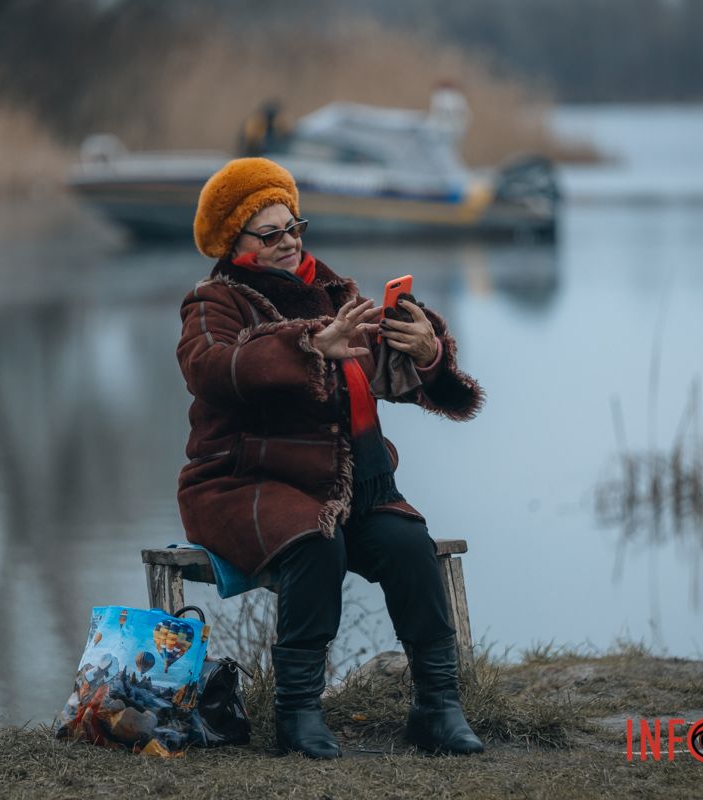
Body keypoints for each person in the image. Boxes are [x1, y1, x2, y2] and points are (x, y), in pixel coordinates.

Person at [176, 158, 486, 758]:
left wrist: (425, 352)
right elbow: (211, 369)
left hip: (351, 485)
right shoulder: (213, 302)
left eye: (294, 226)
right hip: (244, 483)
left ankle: (437, 708)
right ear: (234, 241)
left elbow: (392, 379)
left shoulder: (337, 292)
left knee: (409, 549)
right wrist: (307, 346)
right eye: (270, 233)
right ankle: (296, 713)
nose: (289, 240)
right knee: (316, 543)